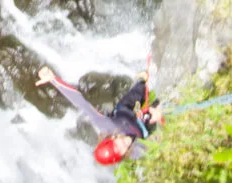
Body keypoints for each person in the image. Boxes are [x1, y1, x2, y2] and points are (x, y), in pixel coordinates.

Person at [36, 64, 164, 161]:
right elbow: (161, 144)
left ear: (112, 138)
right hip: (144, 126)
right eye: (120, 151)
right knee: (162, 106)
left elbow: (80, 103)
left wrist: (53, 80)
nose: (123, 146)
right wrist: (160, 119)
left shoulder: (105, 124)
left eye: (117, 145)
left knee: (143, 85)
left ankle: (142, 79)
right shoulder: (136, 151)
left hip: (127, 109)